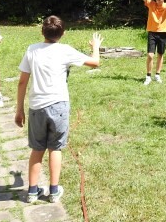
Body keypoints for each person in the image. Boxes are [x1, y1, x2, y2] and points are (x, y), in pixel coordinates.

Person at [15, 15, 103, 203]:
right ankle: (54, 192)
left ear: (42, 32)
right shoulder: (65, 50)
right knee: (55, 148)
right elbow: (95, 62)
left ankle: (32, 192)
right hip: (59, 106)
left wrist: (19, 109)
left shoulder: (32, 50)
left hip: (37, 108)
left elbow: (22, 82)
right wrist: (95, 46)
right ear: (63, 34)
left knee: (37, 149)